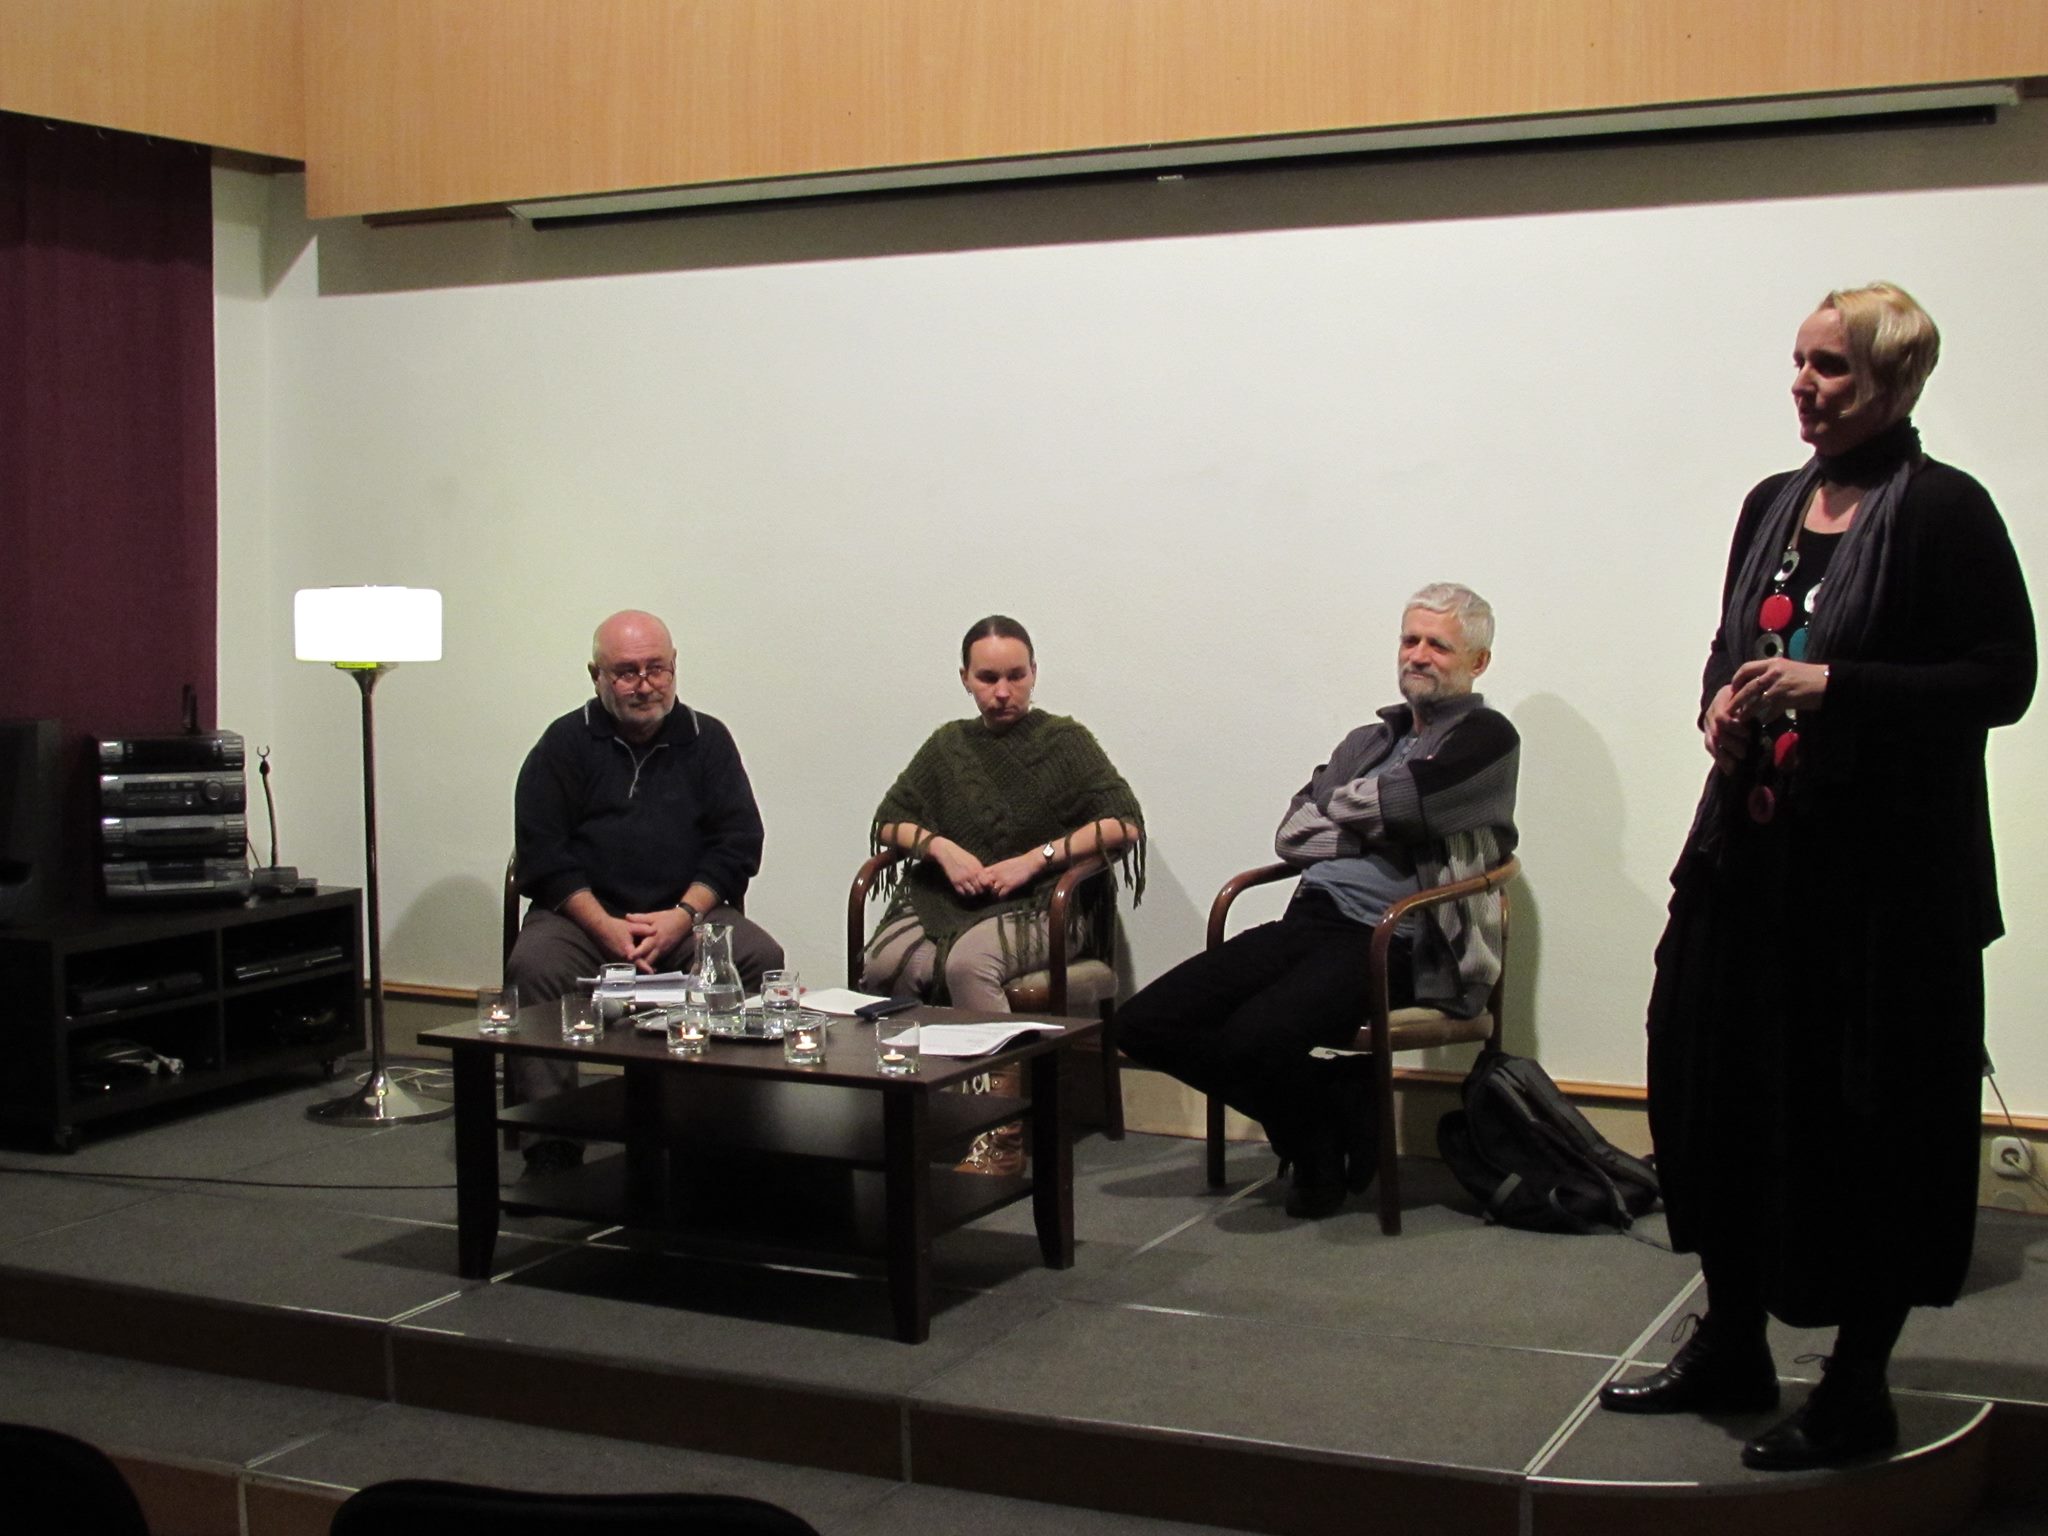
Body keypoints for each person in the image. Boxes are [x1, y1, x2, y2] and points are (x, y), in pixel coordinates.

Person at [1599, 284, 2035, 1472]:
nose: (1803, 384)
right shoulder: (1771, 504)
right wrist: (1716, 702)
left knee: (1866, 1125)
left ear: (1893, 380)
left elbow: (2000, 680)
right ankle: (1730, 1342)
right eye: (1798, 361)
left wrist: (1833, 687)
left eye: (1831, 367)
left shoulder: (1943, 510)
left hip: (1883, 888)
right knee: (1714, 1091)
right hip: (1749, 857)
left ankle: (1854, 1390)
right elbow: (1733, 641)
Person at [1118, 583, 1519, 1219]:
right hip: (1309, 922)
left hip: (1396, 939)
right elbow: (1291, 832)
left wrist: (1345, 807)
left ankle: (1315, 1156)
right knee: (1144, 1023)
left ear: (1478, 661)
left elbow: (1407, 805)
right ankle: (1337, 1102)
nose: (1418, 655)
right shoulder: (1367, 740)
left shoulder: (1488, 738)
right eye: (1410, 639)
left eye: (1438, 645)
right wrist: (1370, 818)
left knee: (1253, 1039)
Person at [862, 616, 1144, 1169]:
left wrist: (1035, 860)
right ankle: (919, 1113)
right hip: (957, 899)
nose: (1002, 692)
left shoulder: (1065, 741)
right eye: (988, 678)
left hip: (1048, 903)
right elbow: (890, 819)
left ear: (1034, 673)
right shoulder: (948, 745)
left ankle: (1000, 1131)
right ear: (965, 678)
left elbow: (1123, 822)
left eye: (1016, 676)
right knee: (885, 961)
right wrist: (941, 848)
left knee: (969, 963)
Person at [507, 609, 784, 1172]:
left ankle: (723, 1128)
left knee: (759, 956)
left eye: (656, 668)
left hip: (686, 920)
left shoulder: (709, 740)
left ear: (675, 666)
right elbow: (542, 851)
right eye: (626, 672)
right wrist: (603, 925)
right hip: (582, 920)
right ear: (596, 676)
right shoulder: (563, 743)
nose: (644, 685)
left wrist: (682, 916)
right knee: (533, 965)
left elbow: (737, 844)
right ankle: (550, 1139)